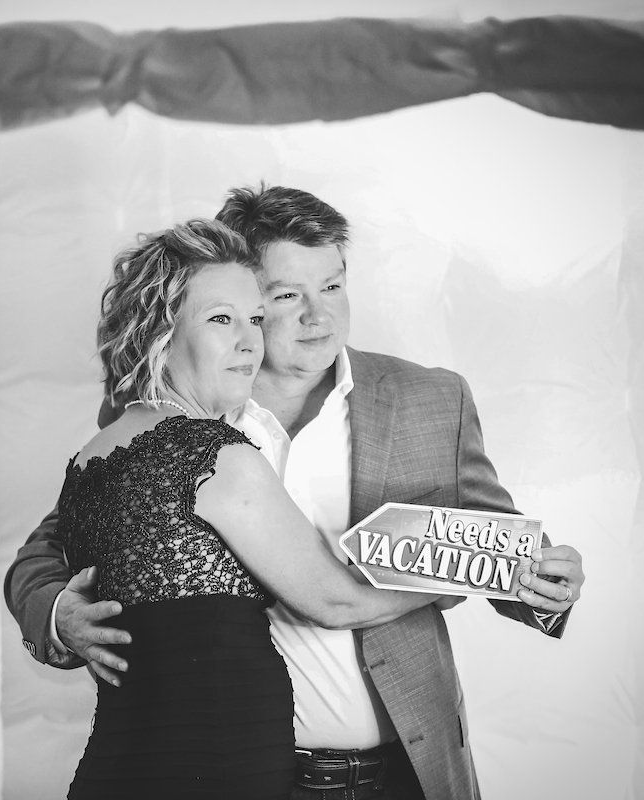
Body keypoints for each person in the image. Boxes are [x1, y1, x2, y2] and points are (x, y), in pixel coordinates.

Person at [9, 188, 587, 800]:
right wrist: (56, 613)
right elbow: (51, 543)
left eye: (333, 286)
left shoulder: (432, 400)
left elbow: (499, 544)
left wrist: (545, 586)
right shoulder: (180, 406)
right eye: (287, 296)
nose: (320, 316)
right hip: (244, 773)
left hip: (409, 770)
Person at [49, 218, 465, 799]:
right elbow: (335, 600)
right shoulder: (214, 452)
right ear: (160, 331)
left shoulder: (93, 454)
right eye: (222, 319)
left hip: (130, 762)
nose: (251, 340)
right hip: (218, 767)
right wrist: (472, 577)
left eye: (254, 320)